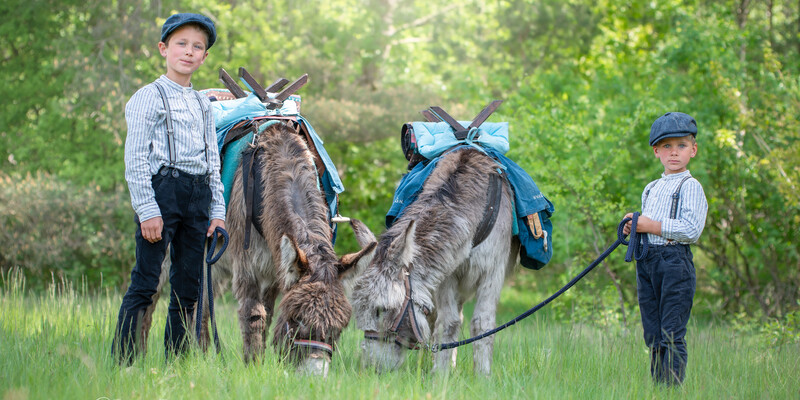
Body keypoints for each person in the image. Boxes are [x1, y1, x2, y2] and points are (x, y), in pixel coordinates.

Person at [112, 13, 226, 365]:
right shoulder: (148, 96)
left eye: (198, 47)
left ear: (204, 57)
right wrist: (147, 209)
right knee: (146, 282)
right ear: (163, 48)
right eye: (181, 44)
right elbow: (135, 160)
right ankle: (125, 363)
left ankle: (176, 365)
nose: (189, 52)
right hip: (163, 191)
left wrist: (217, 212)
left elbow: (213, 162)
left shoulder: (203, 105)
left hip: (198, 196)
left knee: (188, 287)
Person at [623, 112, 708, 386]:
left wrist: (650, 225)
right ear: (656, 151)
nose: (674, 153)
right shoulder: (651, 188)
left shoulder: (690, 186)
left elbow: (691, 230)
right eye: (667, 147)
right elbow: (646, 225)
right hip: (648, 261)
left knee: (671, 332)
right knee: (653, 333)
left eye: (681, 146)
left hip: (674, 264)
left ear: (693, 150)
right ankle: (659, 387)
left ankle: (672, 387)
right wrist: (633, 227)